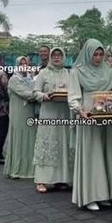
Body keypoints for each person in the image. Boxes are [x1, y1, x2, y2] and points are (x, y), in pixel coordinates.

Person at [69, 39, 112, 211]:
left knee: (109, 152)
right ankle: (91, 195)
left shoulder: (109, 71)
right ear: (87, 53)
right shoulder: (77, 71)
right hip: (89, 115)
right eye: (95, 54)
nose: (98, 58)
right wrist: (79, 110)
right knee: (92, 154)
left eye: (101, 54)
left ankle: (106, 194)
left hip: (108, 114)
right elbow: (74, 95)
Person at [33, 47, 73, 192]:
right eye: (54, 55)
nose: (57, 58)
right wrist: (44, 96)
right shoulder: (43, 73)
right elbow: (35, 92)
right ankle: (42, 180)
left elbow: (73, 90)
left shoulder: (68, 73)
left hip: (64, 113)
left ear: (63, 57)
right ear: (50, 57)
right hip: (49, 113)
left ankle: (61, 179)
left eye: (59, 55)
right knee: (48, 143)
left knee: (63, 143)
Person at [3, 56, 37, 179]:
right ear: (17, 65)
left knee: (31, 136)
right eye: (21, 64)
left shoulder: (31, 78)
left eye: (26, 63)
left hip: (30, 111)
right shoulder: (13, 79)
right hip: (19, 112)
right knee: (19, 136)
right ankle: (17, 168)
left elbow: (34, 90)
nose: (24, 66)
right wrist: (38, 95)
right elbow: (25, 93)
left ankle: (30, 167)